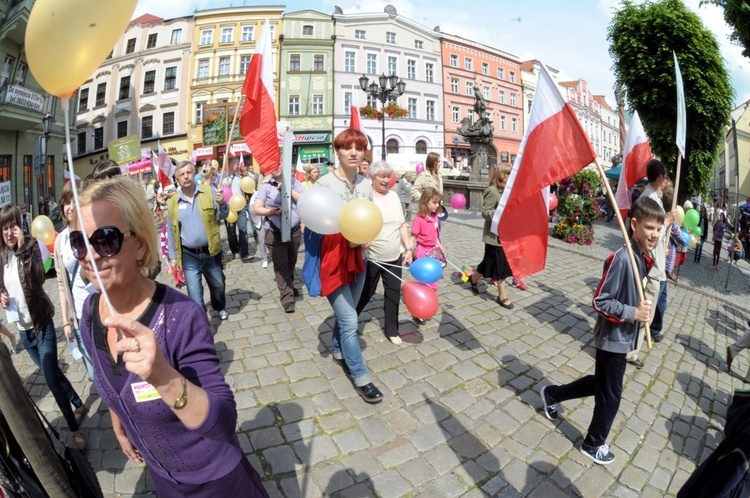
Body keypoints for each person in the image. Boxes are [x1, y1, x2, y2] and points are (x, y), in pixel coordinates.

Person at [75, 176, 268, 497]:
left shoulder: (180, 316)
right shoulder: (90, 311)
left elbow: (224, 423)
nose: (90, 255)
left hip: (214, 480)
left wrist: (163, 378)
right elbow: (114, 384)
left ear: (140, 245)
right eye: (79, 241)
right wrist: (118, 422)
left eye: (105, 240)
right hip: (164, 479)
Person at [540, 196, 662, 465]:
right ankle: (593, 443)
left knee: (601, 385)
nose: (654, 234)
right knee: (611, 395)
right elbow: (599, 301)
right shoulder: (621, 258)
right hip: (612, 339)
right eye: (650, 227)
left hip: (622, 337)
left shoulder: (641, 255)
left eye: (658, 229)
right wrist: (633, 313)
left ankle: (552, 394)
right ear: (634, 225)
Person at [0, 205, 88, 450]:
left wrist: (22, 251)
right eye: (4, 228)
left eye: (12, 226)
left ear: (19, 225)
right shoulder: (1, 258)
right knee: (54, 373)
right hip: (25, 333)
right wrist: (2, 295)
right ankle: (78, 402)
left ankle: (75, 429)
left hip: (42, 325)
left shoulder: (31, 247)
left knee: (50, 378)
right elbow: (3, 286)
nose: (8, 232)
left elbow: (39, 278)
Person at [313, 128, 383, 404]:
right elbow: (315, 225)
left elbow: (369, 218)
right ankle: (362, 377)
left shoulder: (366, 185)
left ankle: (337, 349)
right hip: (334, 261)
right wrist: (346, 237)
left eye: (359, 147)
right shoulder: (324, 186)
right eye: (347, 148)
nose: (353, 152)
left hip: (360, 260)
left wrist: (365, 238)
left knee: (349, 313)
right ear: (337, 151)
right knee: (351, 320)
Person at [355, 161, 413, 345]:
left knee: (393, 292)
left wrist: (408, 248)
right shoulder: (365, 198)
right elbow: (357, 224)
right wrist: (360, 239)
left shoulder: (394, 196)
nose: (386, 180)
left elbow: (401, 224)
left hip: (394, 255)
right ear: (372, 177)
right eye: (381, 176)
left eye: (388, 176)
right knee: (365, 293)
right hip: (372, 258)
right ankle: (348, 323)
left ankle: (392, 329)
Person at [625, 159, 674, 368]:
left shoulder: (654, 196)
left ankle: (630, 348)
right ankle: (631, 353)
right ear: (661, 178)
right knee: (645, 311)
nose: (666, 182)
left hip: (655, 264)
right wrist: (667, 224)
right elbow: (647, 236)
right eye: (665, 178)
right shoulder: (650, 199)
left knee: (646, 309)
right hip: (652, 266)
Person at [166, 161, 230, 320]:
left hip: (211, 251)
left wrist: (222, 203)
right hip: (189, 256)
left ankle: (219, 306)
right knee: (194, 293)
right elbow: (170, 231)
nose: (186, 176)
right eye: (182, 174)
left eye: (188, 172)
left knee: (218, 285)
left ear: (194, 174)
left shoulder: (209, 192)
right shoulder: (173, 202)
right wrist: (173, 257)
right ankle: (202, 324)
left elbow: (223, 216)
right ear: (177, 179)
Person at [53, 181, 96, 382]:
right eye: (66, 202)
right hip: (79, 315)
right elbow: (62, 284)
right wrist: (66, 321)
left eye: (75, 201)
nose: (70, 207)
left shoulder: (92, 229)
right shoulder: (60, 241)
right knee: (94, 373)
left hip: (102, 308)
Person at [254, 164, 303, 313]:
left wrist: (288, 190)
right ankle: (287, 297)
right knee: (281, 265)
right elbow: (257, 208)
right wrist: (271, 211)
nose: (276, 168)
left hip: (294, 230)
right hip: (274, 232)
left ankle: (289, 285)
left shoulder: (295, 183)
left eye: (279, 164)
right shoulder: (266, 187)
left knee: (291, 261)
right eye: (273, 165)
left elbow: (303, 200)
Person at [468, 165, 515, 309]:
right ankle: (502, 295)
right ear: (500, 174)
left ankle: (473, 278)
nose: (508, 176)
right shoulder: (492, 191)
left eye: (510, 173)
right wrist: (500, 213)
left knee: (487, 263)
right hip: (494, 237)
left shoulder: (509, 191)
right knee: (501, 266)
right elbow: (485, 212)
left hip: (506, 235)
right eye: (506, 173)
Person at [410, 187, 445, 304]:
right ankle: (421, 303)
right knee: (425, 280)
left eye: (438, 202)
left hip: (433, 252)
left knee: (433, 279)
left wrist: (440, 248)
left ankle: (427, 301)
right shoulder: (419, 220)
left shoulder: (435, 218)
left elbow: (435, 236)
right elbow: (413, 237)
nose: (437, 205)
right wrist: (408, 251)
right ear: (425, 202)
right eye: (434, 202)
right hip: (422, 252)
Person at [225, 159, 251, 260]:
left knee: (243, 229)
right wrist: (225, 186)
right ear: (231, 165)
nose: (238, 166)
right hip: (230, 208)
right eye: (236, 164)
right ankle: (235, 250)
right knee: (231, 231)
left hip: (241, 207)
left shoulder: (239, 177)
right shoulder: (224, 177)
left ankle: (245, 253)